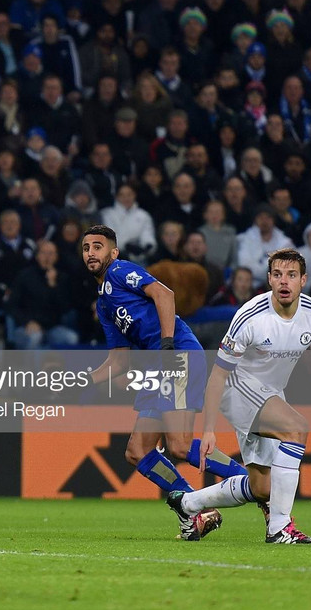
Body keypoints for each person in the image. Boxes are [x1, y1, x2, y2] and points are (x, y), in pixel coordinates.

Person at [171, 248, 311, 544]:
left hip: (270, 394)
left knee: (262, 488)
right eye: (278, 274)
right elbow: (218, 373)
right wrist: (209, 429)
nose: (284, 281)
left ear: (303, 280)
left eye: (291, 275)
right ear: (269, 279)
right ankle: (280, 528)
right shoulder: (250, 317)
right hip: (236, 386)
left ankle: (188, 504)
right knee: (297, 428)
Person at [82, 224, 248, 540]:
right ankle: (194, 510)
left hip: (177, 355)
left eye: (98, 246)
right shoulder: (104, 304)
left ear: (113, 252)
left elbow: (164, 293)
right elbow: (120, 360)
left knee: (180, 444)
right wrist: (83, 381)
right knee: (138, 451)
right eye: (86, 247)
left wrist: (168, 344)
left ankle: (249, 481)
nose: (91, 252)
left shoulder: (120, 272)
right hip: (157, 366)